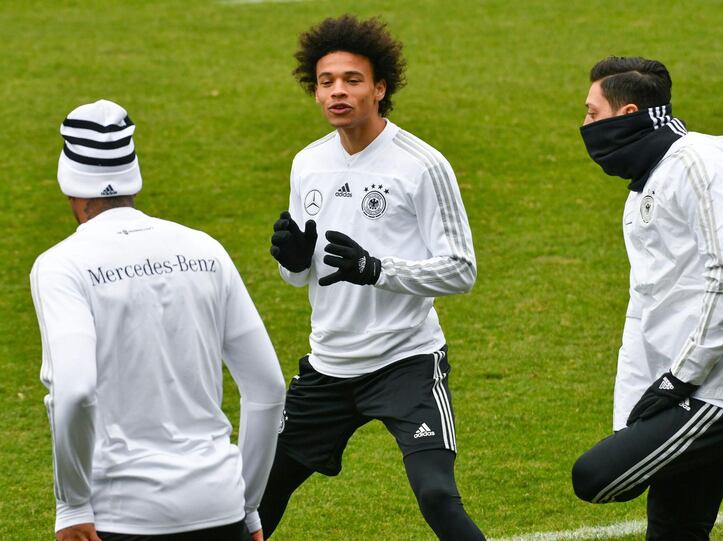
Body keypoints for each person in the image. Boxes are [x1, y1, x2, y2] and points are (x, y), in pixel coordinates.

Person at [259, 15, 485, 540]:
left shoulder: (421, 166)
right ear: (314, 91)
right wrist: (293, 261)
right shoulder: (307, 165)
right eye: (326, 82)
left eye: (352, 80)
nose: (338, 91)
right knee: (258, 492)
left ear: (380, 88)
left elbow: (461, 270)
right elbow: (301, 279)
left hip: (404, 361)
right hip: (329, 365)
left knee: (436, 494)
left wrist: (377, 269)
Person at [31, 99, 286, 541]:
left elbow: (74, 392)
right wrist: (247, 507)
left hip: (124, 518)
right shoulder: (205, 249)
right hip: (220, 508)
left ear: (67, 181)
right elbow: (268, 389)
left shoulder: (61, 266)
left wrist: (72, 505)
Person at [571, 57, 723, 540]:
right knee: (675, 532)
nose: (584, 127)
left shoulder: (701, 164)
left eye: (591, 113)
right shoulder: (645, 185)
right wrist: (633, 412)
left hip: (718, 389)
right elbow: (642, 308)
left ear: (626, 114)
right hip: (678, 386)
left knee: (595, 477)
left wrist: (681, 378)